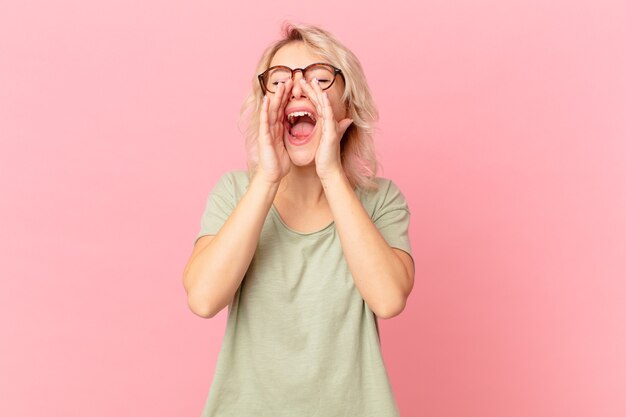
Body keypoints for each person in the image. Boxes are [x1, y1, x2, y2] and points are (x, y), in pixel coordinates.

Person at [183, 22, 415, 417]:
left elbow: (389, 299)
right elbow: (203, 299)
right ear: (264, 106)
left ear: (348, 107)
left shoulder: (381, 201)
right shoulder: (235, 193)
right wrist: (269, 176)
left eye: (321, 78)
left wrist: (331, 173)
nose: (297, 89)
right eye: (278, 82)